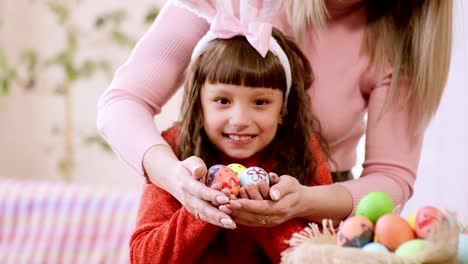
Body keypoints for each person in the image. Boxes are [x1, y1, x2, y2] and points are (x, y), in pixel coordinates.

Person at [97, 0, 453, 229]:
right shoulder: (235, 4)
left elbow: (391, 177)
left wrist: (304, 203)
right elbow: (124, 102)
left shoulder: (401, 39)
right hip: (204, 189)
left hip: (321, 208)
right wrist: (177, 179)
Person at [130, 1, 332, 262]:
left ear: (283, 110)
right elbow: (144, 258)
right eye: (223, 101)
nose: (239, 120)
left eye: (260, 102)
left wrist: (267, 217)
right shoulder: (174, 152)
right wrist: (202, 206)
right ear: (199, 105)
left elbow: (324, 256)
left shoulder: (302, 149)